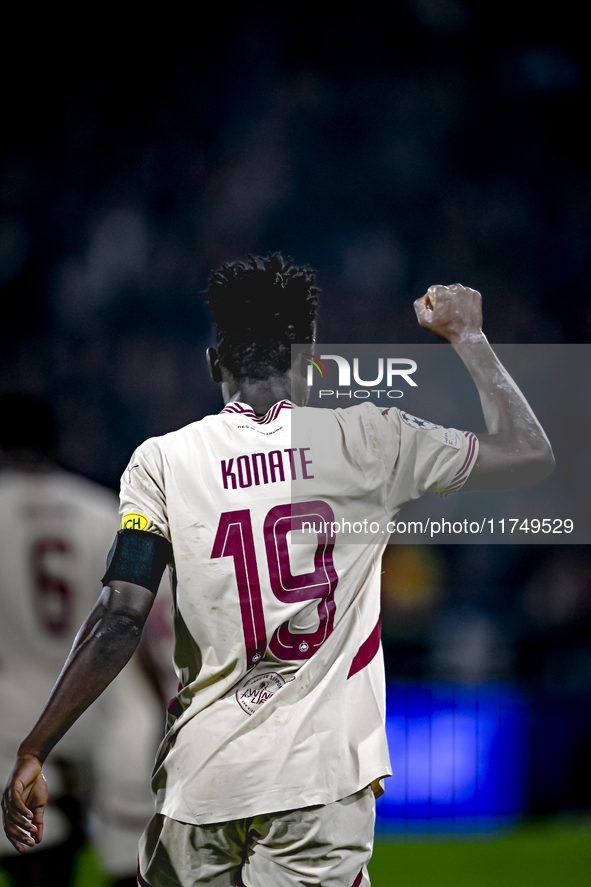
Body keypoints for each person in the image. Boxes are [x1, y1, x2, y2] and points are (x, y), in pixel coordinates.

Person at [2, 255, 555, 887]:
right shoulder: (372, 439)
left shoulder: (161, 462)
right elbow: (529, 453)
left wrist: (34, 747)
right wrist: (470, 337)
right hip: (316, 784)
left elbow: (120, 617)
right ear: (312, 359)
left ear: (215, 363)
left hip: (199, 786)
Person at [0, 394, 171, 887]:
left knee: (38, 866)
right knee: (129, 864)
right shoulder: (104, 510)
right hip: (101, 711)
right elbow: (135, 623)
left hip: (12, 722)